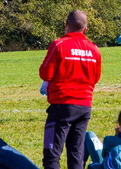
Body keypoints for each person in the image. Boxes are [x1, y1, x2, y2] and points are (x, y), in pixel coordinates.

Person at [39, 10, 102, 169]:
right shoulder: (94, 49)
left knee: (51, 152)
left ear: (66, 24)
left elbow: (45, 72)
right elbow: (96, 78)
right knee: (76, 153)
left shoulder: (58, 44)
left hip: (61, 104)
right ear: (85, 29)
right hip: (84, 106)